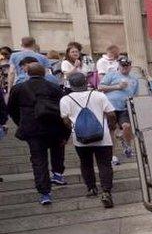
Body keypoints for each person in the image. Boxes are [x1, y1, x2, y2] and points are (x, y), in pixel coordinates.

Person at [7, 61, 69, 204]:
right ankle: (58, 173)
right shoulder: (54, 87)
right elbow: (63, 110)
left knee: (38, 160)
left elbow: (11, 109)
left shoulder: (19, 88)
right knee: (57, 150)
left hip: (32, 129)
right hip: (53, 126)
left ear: (27, 73)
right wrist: (65, 133)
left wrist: (21, 122)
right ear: (44, 73)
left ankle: (45, 193)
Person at [60, 73, 118, 207]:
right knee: (104, 164)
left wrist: (75, 128)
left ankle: (91, 188)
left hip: (80, 139)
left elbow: (65, 119)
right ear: (86, 82)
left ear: (70, 84)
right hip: (102, 137)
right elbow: (111, 114)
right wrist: (111, 126)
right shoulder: (99, 95)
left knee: (85, 163)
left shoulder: (65, 99)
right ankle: (106, 191)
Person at [98, 56, 140, 163]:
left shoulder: (134, 79)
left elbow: (135, 95)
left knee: (127, 126)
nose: (124, 68)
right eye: (122, 65)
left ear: (130, 66)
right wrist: (117, 87)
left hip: (124, 107)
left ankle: (127, 145)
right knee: (111, 130)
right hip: (110, 107)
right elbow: (100, 87)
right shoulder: (111, 75)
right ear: (119, 65)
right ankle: (112, 155)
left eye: (127, 66)